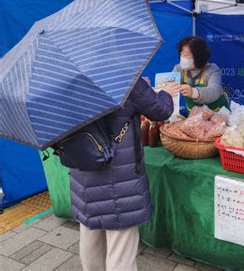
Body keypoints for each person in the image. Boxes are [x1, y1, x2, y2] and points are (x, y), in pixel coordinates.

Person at [71, 77, 180, 271]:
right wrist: (166, 94)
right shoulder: (124, 75)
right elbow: (160, 110)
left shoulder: (69, 81)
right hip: (121, 174)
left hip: (83, 169)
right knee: (120, 245)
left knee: (91, 233)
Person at [173, 36, 229, 113]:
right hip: (194, 116)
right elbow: (170, 84)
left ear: (197, 56)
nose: (182, 57)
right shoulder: (178, 69)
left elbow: (214, 91)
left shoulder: (213, 70)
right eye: (181, 54)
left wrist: (194, 92)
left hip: (217, 113)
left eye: (186, 55)